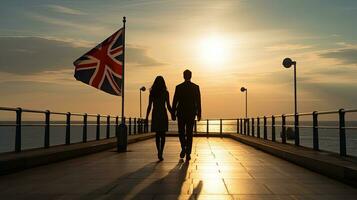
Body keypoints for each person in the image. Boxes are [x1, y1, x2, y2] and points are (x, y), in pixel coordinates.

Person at [172, 69, 201, 161]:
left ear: (183, 76)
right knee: (189, 133)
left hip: (181, 113)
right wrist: (199, 113)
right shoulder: (195, 87)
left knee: (181, 132)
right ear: (191, 76)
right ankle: (188, 152)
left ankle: (184, 148)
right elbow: (198, 102)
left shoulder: (179, 87)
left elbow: (175, 101)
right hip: (191, 113)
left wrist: (173, 113)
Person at [146, 76, 172, 161]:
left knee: (157, 135)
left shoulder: (152, 93)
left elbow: (149, 106)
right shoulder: (165, 93)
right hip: (163, 114)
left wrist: (146, 117)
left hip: (155, 114)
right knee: (163, 135)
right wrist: (173, 114)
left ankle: (159, 151)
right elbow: (168, 105)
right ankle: (161, 151)